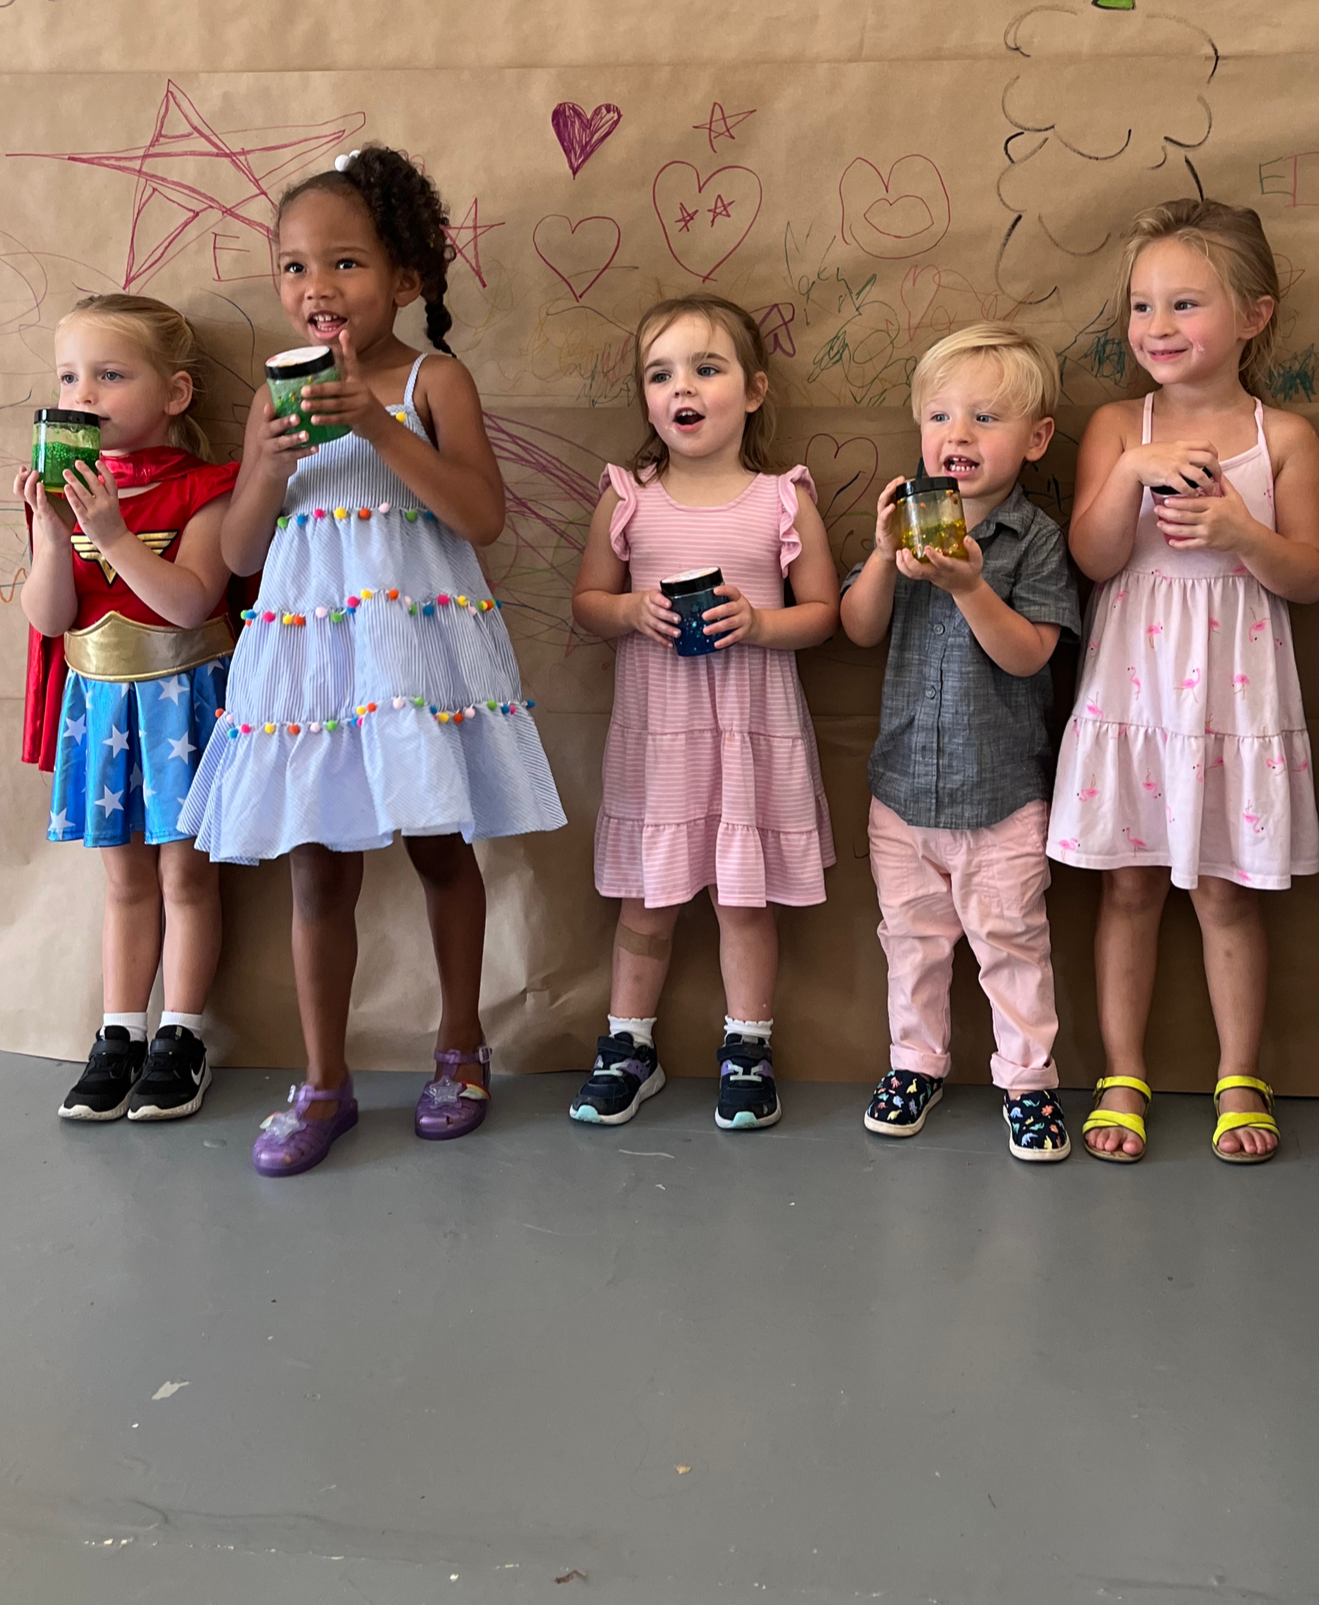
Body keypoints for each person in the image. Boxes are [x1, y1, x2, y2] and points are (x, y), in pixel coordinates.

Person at [179, 145, 566, 1176]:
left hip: (413, 653)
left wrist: (380, 430)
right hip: (312, 663)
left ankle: (461, 1049)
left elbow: (480, 515)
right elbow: (241, 556)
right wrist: (269, 465)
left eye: (345, 263)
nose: (317, 286)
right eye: (295, 266)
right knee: (316, 868)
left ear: (406, 278)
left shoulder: (435, 379)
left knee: (441, 847)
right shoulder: (274, 396)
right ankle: (324, 1081)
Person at [1048, 198, 1319, 1164]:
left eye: (1183, 304)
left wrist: (1240, 531)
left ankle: (1239, 1073)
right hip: (1135, 690)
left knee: (1225, 894)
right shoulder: (1115, 425)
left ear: (1253, 315)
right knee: (1127, 889)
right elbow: (1093, 558)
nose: (1156, 327)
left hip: (1232, 693)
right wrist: (1131, 469)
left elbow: (1312, 576)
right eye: (1141, 306)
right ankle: (1121, 1070)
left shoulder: (1281, 436)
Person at [569, 294, 838, 1132]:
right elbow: (586, 602)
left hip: (750, 734)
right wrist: (628, 611)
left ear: (753, 391)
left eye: (705, 368)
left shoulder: (781, 499)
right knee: (644, 900)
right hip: (660, 739)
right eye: (660, 374)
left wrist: (759, 623)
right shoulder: (628, 496)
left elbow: (822, 612)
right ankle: (628, 1045)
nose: (681, 386)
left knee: (743, 901)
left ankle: (747, 1047)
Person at [841, 325, 1079, 1160]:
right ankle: (915, 1062)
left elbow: (1029, 655)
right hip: (902, 792)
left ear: (1036, 438)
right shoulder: (906, 527)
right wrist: (881, 555)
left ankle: (1027, 1079)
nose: (958, 434)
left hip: (1000, 794)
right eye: (940, 416)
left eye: (986, 417)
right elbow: (858, 628)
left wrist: (970, 585)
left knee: (1012, 944)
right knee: (909, 942)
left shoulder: (1035, 538)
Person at [19, 294, 238, 1123]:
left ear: (174, 393)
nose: (84, 395)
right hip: (101, 709)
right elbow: (49, 619)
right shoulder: (60, 494)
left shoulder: (206, 489)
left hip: (182, 703)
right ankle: (120, 1032)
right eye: (69, 378)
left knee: (186, 873)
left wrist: (110, 533)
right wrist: (50, 532)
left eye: (110, 375)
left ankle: (181, 1034)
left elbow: (190, 602)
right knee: (123, 879)